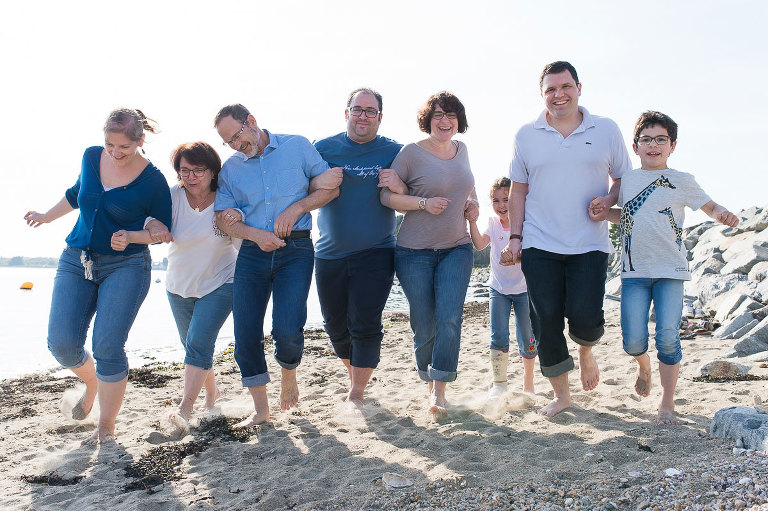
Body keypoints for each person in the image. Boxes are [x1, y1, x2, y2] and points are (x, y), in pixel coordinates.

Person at [24, 108, 172, 444]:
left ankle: (105, 427)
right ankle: (92, 381)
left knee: (107, 346)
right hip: (75, 260)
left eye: (124, 147)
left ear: (140, 141)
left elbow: (164, 231)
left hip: (126, 265)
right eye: (110, 145)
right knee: (62, 345)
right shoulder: (91, 157)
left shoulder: (153, 180)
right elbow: (78, 194)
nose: (116, 153)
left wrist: (133, 236)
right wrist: (47, 216)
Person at [499, 61, 632, 417]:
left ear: (578, 87)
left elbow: (622, 180)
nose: (559, 95)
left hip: (589, 244)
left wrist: (608, 201)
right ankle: (562, 394)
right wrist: (515, 238)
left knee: (587, 319)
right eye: (551, 89)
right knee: (545, 321)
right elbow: (517, 193)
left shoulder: (605, 130)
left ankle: (586, 351)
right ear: (542, 94)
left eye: (565, 87)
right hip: (539, 243)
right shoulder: (526, 134)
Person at [588, 111, 739, 425]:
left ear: (672, 146)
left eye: (660, 139)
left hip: (671, 270)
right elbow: (627, 216)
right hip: (634, 272)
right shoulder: (628, 180)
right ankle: (644, 366)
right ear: (635, 146)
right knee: (632, 341)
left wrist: (723, 213)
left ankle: (667, 403)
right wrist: (604, 213)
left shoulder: (683, 180)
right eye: (646, 139)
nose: (653, 145)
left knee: (668, 338)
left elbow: (711, 207)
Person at [212, 104, 342, 428]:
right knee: (244, 333)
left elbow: (330, 187)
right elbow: (222, 219)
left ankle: (288, 374)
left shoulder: (297, 146)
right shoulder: (230, 169)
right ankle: (261, 410)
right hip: (252, 253)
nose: (235, 146)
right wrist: (254, 234)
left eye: (237, 137)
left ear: (251, 122)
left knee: (287, 326)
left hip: (296, 248)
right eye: (228, 142)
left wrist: (295, 209)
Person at [115, 142, 240, 426]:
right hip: (178, 286)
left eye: (199, 170)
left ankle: (184, 409)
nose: (191, 176)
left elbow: (242, 240)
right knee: (193, 346)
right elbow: (146, 218)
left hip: (221, 282)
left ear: (212, 172)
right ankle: (213, 394)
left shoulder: (226, 199)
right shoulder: (170, 197)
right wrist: (143, 229)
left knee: (197, 343)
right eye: (185, 170)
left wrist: (239, 220)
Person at [381, 91, 478, 419]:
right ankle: (428, 378)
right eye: (438, 114)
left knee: (449, 318)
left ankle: (439, 389)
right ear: (428, 119)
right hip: (413, 252)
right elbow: (387, 198)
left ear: (458, 121)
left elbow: (466, 187)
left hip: (457, 248)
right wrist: (424, 203)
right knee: (424, 324)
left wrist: (474, 204)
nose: (444, 120)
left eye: (451, 115)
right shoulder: (410, 153)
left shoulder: (462, 150)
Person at [313, 88, 404, 414]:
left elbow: (411, 190)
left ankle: (357, 392)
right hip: (328, 253)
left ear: (380, 117)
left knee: (364, 322)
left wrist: (399, 184)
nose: (363, 115)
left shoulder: (395, 151)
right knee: (335, 325)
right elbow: (304, 189)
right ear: (347, 112)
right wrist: (320, 180)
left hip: (376, 251)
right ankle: (356, 378)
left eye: (370, 110)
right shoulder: (323, 148)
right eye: (357, 109)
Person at [467, 177, 537, 397]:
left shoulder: (526, 224)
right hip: (498, 289)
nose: (501, 205)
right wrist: (472, 222)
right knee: (498, 336)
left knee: (527, 337)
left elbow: (533, 258)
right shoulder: (492, 222)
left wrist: (516, 259)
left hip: (525, 290)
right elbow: (479, 245)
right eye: (496, 201)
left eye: (506, 200)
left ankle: (528, 381)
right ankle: (499, 384)